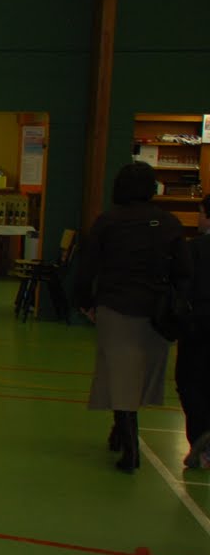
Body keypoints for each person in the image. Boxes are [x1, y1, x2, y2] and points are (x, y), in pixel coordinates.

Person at [76, 162, 191, 472]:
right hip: (155, 311)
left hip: (115, 307)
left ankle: (129, 445)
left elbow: (87, 266)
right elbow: (183, 271)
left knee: (118, 373)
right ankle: (120, 433)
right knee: (140, 377)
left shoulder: (108, 222)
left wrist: (85, 302)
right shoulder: (168, 223)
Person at [177, 195, 210, 469]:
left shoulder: (196, 248)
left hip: (198, 326)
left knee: (190, 383)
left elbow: (182, 285)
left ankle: (201, 438)